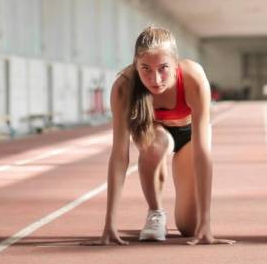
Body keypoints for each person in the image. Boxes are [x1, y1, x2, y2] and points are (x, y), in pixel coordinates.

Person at [90, 26, 235, 246]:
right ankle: (156, 213)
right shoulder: (124, 87)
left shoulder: (193, 78)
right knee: (159, 142)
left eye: (163, 68)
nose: (155, 79)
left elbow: (203, 153)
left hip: (189, 137)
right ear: (135, 65)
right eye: (145, 68)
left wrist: (207, 222)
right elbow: (119, 155)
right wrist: (110, 224)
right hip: (154, 135)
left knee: (189, 228)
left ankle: (193, 217)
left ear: (175, 63)